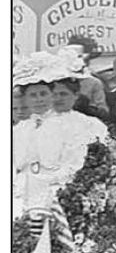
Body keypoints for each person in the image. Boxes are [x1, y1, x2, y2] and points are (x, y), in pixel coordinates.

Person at [13, 51, 109, 213]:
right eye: (33, 95)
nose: (38, 100)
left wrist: (47, 183)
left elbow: (74, 164)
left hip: (56, 192)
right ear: (26, 99)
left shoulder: (71, 124)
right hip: (23, 192)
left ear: (51, 95)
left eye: (43, 94)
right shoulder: (21, 128)